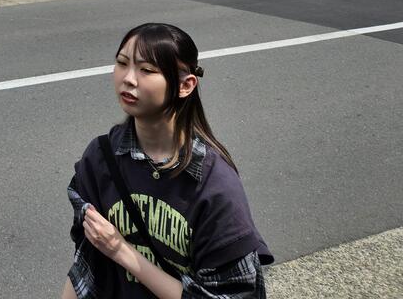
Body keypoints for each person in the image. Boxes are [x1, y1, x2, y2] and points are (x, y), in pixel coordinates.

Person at [61, 23, 272, 299]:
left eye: (146, 70)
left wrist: (121, 251)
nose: (129, 78)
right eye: (122, 63)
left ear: (186, 85)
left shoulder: (214, 184)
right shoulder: (100, 157)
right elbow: (86, 261)